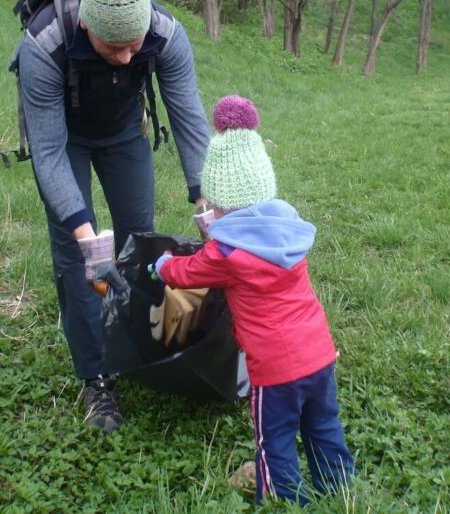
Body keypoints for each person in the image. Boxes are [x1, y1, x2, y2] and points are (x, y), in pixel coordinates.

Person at [15, 0, 210, 433]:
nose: (126, 56)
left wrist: (208, 203)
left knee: (137, 240)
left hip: (125, 132)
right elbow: (49, 153)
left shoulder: (165, 36)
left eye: (133, 45)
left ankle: (138, 346)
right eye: (113, 47)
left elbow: (189, 121)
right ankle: (97, 378)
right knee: (76, 257)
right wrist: (85, 235)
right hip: (67, 139)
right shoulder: (44, 44)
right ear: (87, 28)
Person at [152, 95, 354, 504]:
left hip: (275, 369)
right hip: (319, 354)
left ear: (220, 204)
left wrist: (160, 264)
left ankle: (285, 500)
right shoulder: (289, 230)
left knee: (274, 438)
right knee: (323, 424)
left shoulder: (224, 253)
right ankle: (339, 490)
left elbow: (185, 273)